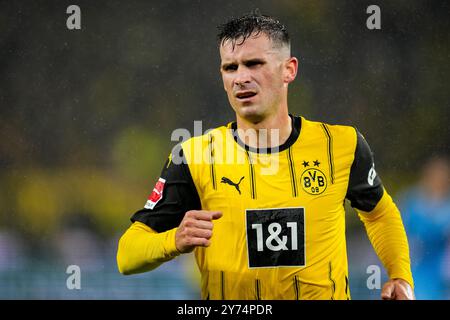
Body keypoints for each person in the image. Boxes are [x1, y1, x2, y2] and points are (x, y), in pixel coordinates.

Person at [117, 12, 414, 300]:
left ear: (289, 69)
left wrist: (400, 275)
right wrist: (173, 240)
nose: (240, 78)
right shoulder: (193, 156)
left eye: (254, 63)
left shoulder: (341, 144)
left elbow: (379, 213)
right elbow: (127, 255)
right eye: (230, 68)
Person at [398, 156, 450, 299]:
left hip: (440, 266)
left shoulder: (447, 204)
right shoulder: (411, 200)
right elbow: (398, 229)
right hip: (416, 261)